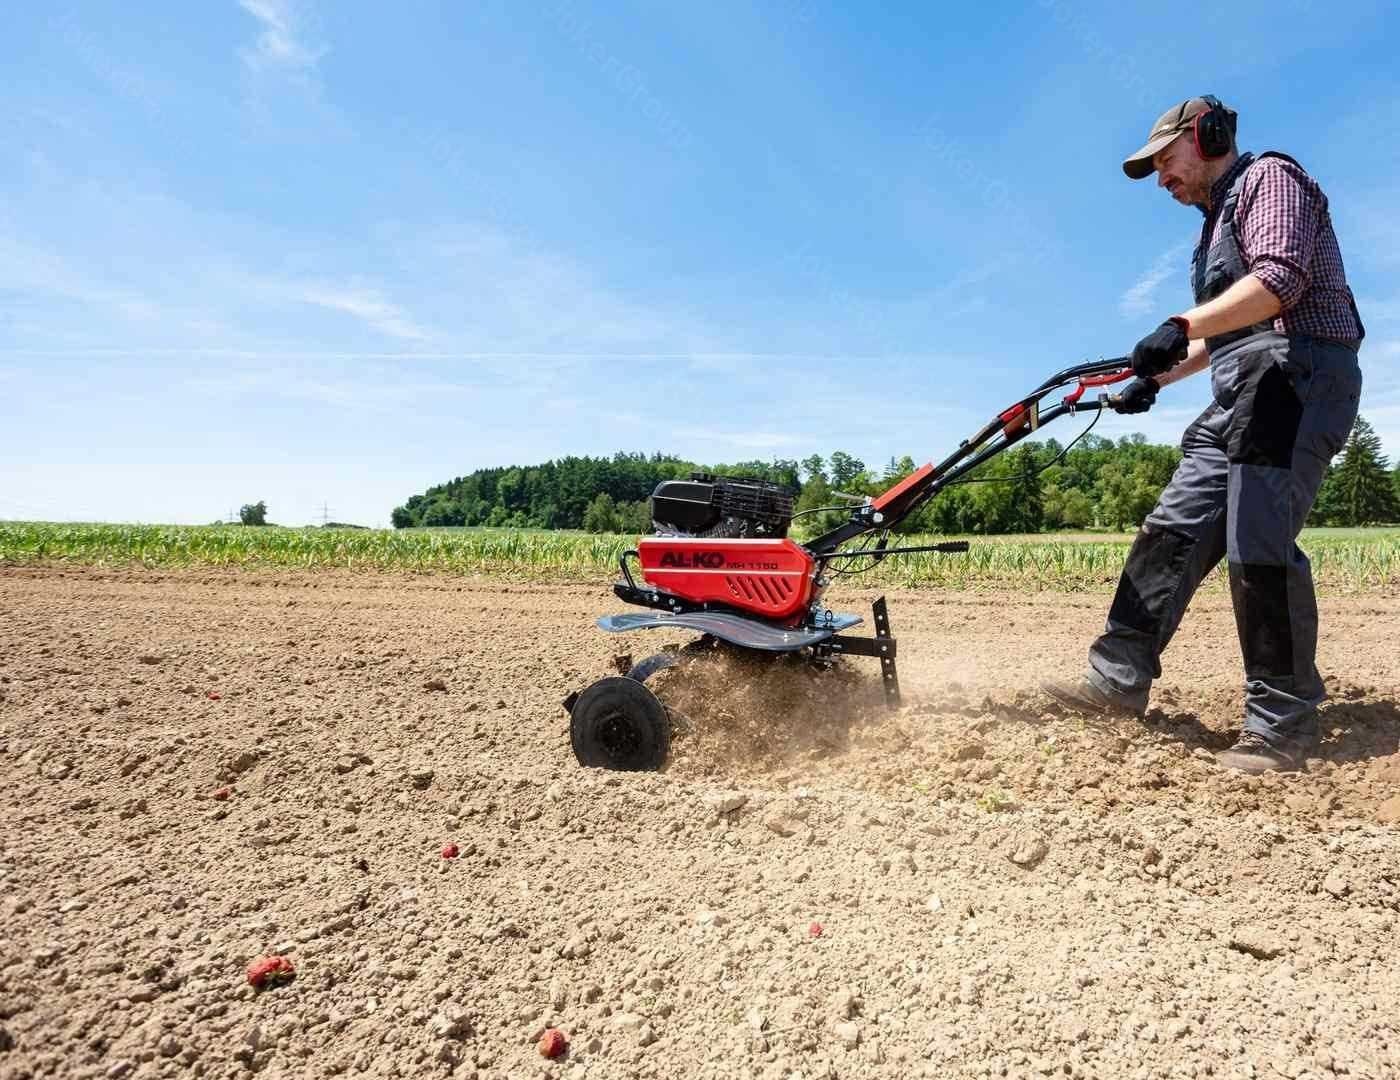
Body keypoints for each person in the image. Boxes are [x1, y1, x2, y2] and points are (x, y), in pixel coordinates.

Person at [1043, 96, 1364, 774]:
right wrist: (1154, 379)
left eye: (1166, 160)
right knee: (1171, 530)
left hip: (1298, 377)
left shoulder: (1269, 179)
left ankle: (1280, 725)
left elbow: (1278, 281)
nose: (1162, 179)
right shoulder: (1212, 227)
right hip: (1242, 389)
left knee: (1258, 544)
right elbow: (1222, 334)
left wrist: (1180, 325)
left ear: (1207, 136)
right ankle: (1114, 682)